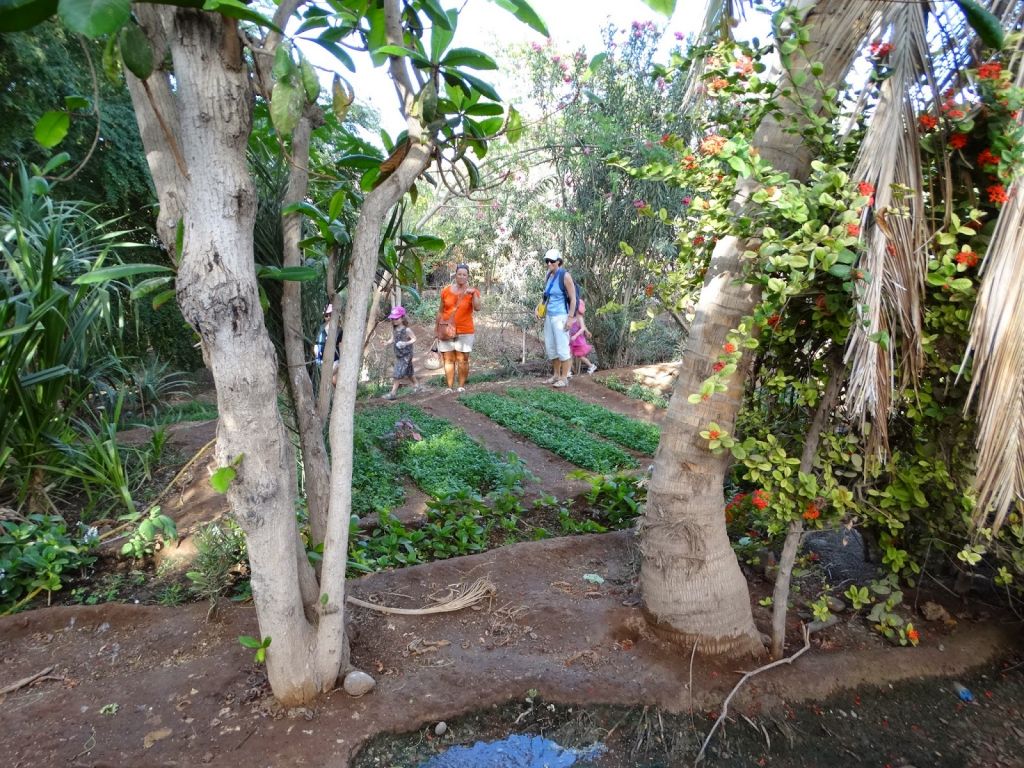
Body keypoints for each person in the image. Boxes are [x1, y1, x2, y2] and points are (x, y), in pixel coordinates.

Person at [436, 263, 481, 393]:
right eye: (459, 274)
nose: (461, 276)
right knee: (448, 360)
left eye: (464, 274)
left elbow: (477, 308)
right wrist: (436, 329)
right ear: (455, 275)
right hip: (446, 329)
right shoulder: (445, 291)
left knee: (463, 360)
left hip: (465, 330)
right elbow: (440, 311)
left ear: (468, 276)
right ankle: (449, 388)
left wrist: (474, 295)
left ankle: (461, 387)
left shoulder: (473, 291)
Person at [537, 248, 576, 388]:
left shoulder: (565, 276)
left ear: (558, 261)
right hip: (549, 315)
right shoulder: (549, 275)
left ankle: (564, 378)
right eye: (547, 261)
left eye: (552, 261)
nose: (549, 263)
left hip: (561, 316)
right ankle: (556, 375)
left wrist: (570, 318)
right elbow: (546, 295)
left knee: (562, 348)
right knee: (551, 347)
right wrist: (539, 307)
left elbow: (573, 299)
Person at [384, 306, 418, 400]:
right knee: (409, 372)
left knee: (398, 373)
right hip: (399, 355)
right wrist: (387, 342)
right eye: (393, 319)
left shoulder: (407, 330)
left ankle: (393, 393)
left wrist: (405, 343)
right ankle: (416, 385)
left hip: (406, 355)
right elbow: (393, 339)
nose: (394, 320)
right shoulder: (394, 329)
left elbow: (414, 338)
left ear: (402, 318)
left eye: (396, 318)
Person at [314, 303, 342, 385]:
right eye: (326, 315)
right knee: (330, 381)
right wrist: (316, 356)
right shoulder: (320, 329)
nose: (329, 317)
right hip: (321, 360)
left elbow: (341, 345)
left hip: (335, 360)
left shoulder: (339, 330)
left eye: (330, 315)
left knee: (333, 381)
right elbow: (316, 344)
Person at [569, 299, 598, 375]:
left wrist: (576, 335)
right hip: (572, 341)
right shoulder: (572, 317)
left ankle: (591, 366)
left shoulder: (580, 318)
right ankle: (568, 371)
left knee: (579, 356)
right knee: (569, 355)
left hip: (578, 340)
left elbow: (582, 328)